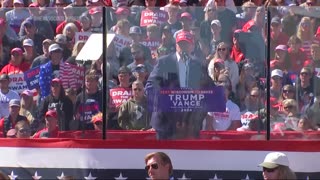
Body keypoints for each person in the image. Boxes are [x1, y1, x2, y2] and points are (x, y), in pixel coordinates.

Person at [146, 31, 214, 139]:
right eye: (180, 44)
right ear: (176, 45)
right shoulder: (164, 62)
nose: (183, 47)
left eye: (186, 44)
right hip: (166, 122)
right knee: (165, 155)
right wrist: (165, 96)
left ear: (192, 46)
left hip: (190, 124)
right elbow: (150, 85)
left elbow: (210, 88)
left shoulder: (199, 64)